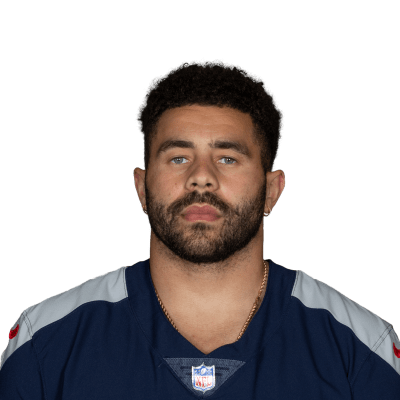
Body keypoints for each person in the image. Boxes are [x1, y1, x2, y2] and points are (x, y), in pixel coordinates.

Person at [1, 59, 399, 399]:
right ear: (141, 187)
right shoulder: (45, 341)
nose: (201, 178)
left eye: (227, 158)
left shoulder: (361, 347)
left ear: (272, 191)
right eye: (178, 158)